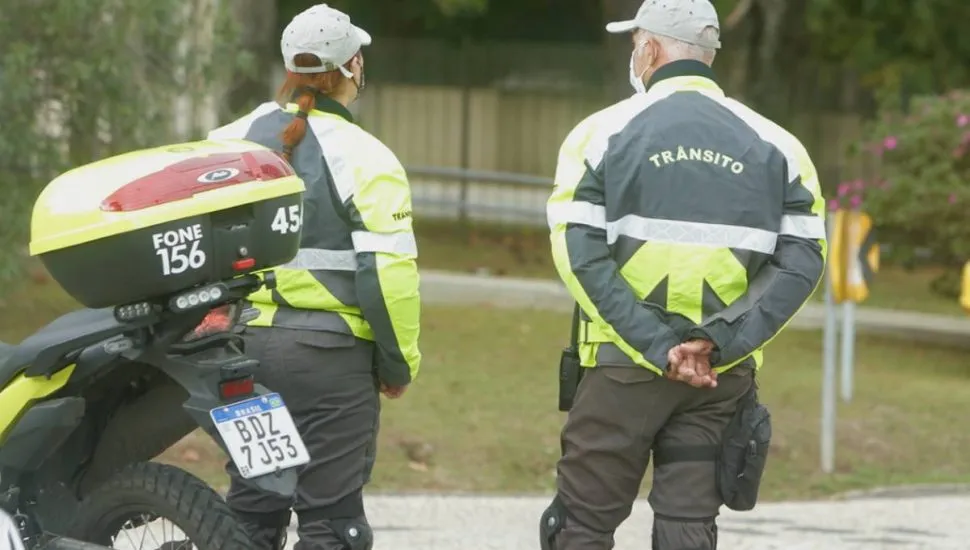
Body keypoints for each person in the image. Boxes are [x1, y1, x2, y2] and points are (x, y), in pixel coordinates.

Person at [539, 0, 826, 549]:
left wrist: (656, 343)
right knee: (688, 529)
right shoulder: (782, 146)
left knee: (580, 526)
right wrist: (715, 342)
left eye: (635, 45)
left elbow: (579, 255)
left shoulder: (599, 133)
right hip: (720, 376)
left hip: (622, 366)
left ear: (649, 48)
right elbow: (802, 263)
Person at [206, 4, 421, 550]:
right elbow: (386, 277)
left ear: (288, 65)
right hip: (329, 365)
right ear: (354, 66)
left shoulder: (225, 142)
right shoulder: (369, 158)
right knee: (332, 525)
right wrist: (397, 364)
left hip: (239, 354)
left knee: (253, 515)